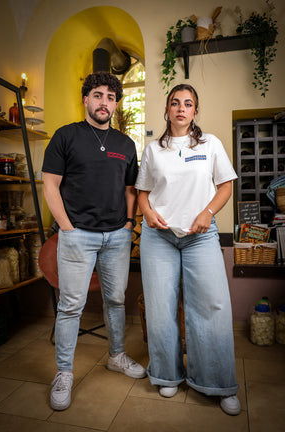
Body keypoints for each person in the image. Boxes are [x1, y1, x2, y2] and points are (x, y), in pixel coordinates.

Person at [42, 71, 146, 411]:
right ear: (86, 99)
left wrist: (129, 222)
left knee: (115, 300)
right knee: (71, 305)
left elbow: (131, 188)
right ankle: (64, 373)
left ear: (116, 104)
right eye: (98, 95)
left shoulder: (125, 144)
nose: (104, 102)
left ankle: (115, 355)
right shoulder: (65, 136)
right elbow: (50, 185)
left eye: (111, 97)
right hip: (78, 235)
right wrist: (67, 228)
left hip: (117, 234)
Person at [135, 83, 241, 416]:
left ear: (195, 111)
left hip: (201, 236)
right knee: (160, 307)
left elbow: (225, 185)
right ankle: (167, 374)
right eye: (175, 103)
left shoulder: (210, 144)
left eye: (188, 103)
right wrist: (148, 213)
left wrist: (207, 213)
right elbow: (142, 192)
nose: (181, 108)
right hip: (159, 238)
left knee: (211, 306)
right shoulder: (153, 150)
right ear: (167, 110)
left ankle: (219, 383)